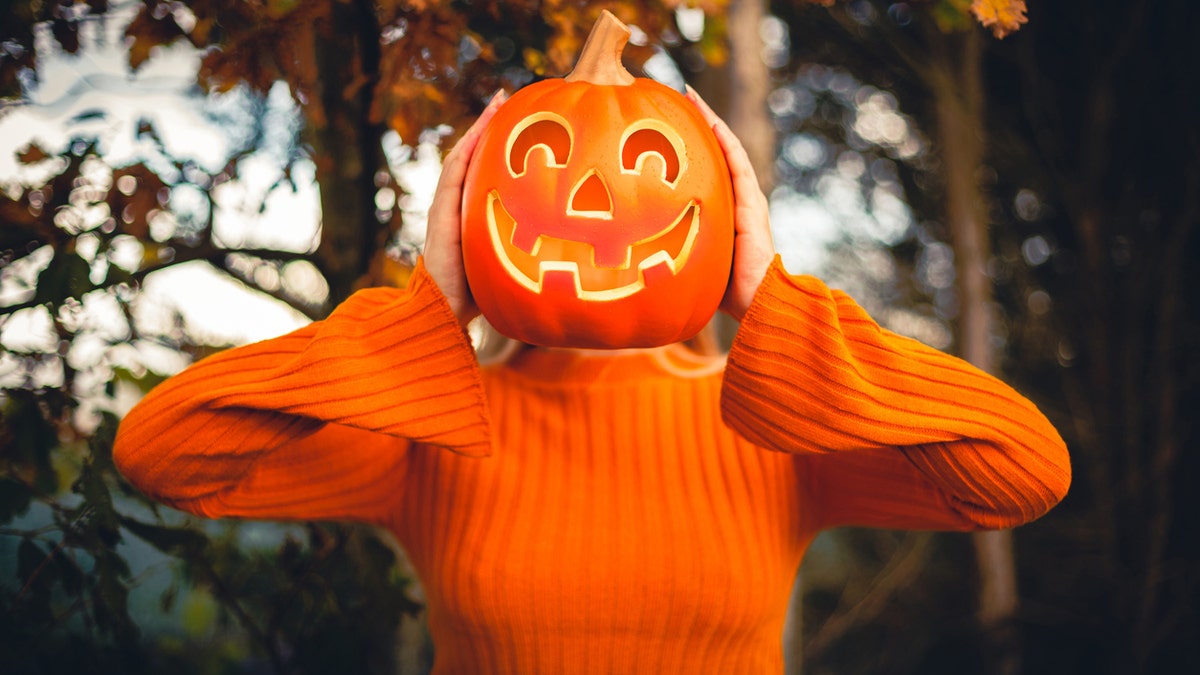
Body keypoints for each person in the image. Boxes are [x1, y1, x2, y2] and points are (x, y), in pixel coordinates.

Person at [113, 88, 1071, 674]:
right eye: (540, 165)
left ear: (716, 210)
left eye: (650, 168)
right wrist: (424, 317)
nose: (590, 200)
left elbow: (1024, 470)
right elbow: (166, 455)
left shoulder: (774, 429)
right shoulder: (434, 431)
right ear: (476, 213)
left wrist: (773, 304)